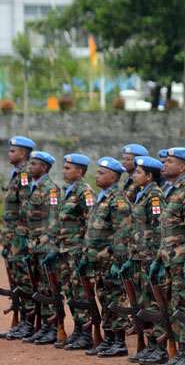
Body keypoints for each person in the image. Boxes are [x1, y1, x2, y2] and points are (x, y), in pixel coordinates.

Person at [152, 147, 185, 364]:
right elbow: (166, 230)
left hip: (182, 260)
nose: (164, 164)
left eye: (169, 162)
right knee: (171, 305)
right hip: (168, 258)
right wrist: (159, 258)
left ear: (181, 167)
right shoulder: (168, 191)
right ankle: (177, 350)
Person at [83, 157, 132, 358]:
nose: (97, 175)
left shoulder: (118, 200)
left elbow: (123, 232)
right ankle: (109, 337)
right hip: (98, 260)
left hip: (111, 260)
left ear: (113, 177)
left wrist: (117, 260)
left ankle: (119, 341)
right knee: (104, 298)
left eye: (102, 173)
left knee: (115, 299)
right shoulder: (102, 197)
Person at [126, 156, 167, 364]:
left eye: (138, 172)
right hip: (139, 256)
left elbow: (159, 228)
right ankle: (151, 345)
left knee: (154, 302)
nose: (134, 175)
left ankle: (160, 348)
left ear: (149, 176)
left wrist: (157, 258)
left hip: (150, 257)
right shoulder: (141, 194)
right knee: (144, 302)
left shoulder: (155, 196)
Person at [55, 153, 96, 351]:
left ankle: (86, 332)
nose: (64, 171)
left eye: (68, 168)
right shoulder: (67, 191)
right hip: (65, 250)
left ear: (79, 171)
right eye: (64, 167)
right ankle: (78, 329)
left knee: (81, 291)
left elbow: (91, 223)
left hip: (77, 251)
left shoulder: (84, 192)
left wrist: (86, 252)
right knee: (70, 292)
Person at [21, 151, 60, 345]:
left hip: (44, 246)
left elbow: (53, 218)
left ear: (44, 167)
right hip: (33, 245)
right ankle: (44, 325)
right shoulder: (33, 187)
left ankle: (52, 326)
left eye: (34, 164)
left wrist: (48, 244)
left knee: (48, 287)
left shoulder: (51, 189)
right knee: (37, 286)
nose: (30, 166)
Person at [1, 136, 36, 340]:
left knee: (24, 280)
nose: (9, 153)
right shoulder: (16, 173)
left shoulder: (24, 174)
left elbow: (25, 207)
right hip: (11, 236)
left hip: (19, 237)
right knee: (16, 280)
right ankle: (23, 320)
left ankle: (28, 322)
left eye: (13, 150)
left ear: (23, 153)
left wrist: (20, 236)